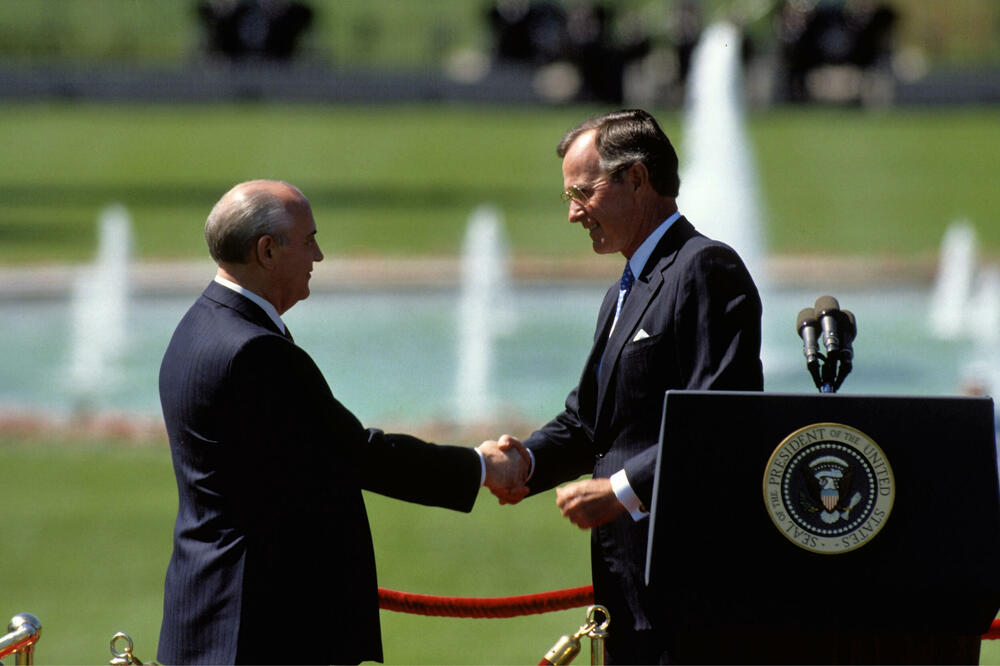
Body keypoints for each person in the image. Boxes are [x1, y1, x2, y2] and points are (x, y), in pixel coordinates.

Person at [156, 179, 529, 665]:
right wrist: (481, 467)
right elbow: (355, 454)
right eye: (309, 240)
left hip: (211, 615)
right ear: (267, 251)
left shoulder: (200, 324)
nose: (320, 256)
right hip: (257, 628)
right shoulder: (255, 350)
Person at [486, 109, 764, 664]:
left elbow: (724, 420)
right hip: (629, 587)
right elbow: (589, 422)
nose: (572, 214)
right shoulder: (623, 290)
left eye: (582, 193)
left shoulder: (704, 267)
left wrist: (617, 490)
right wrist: (524, 463)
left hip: (690, 589)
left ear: (636, 178)